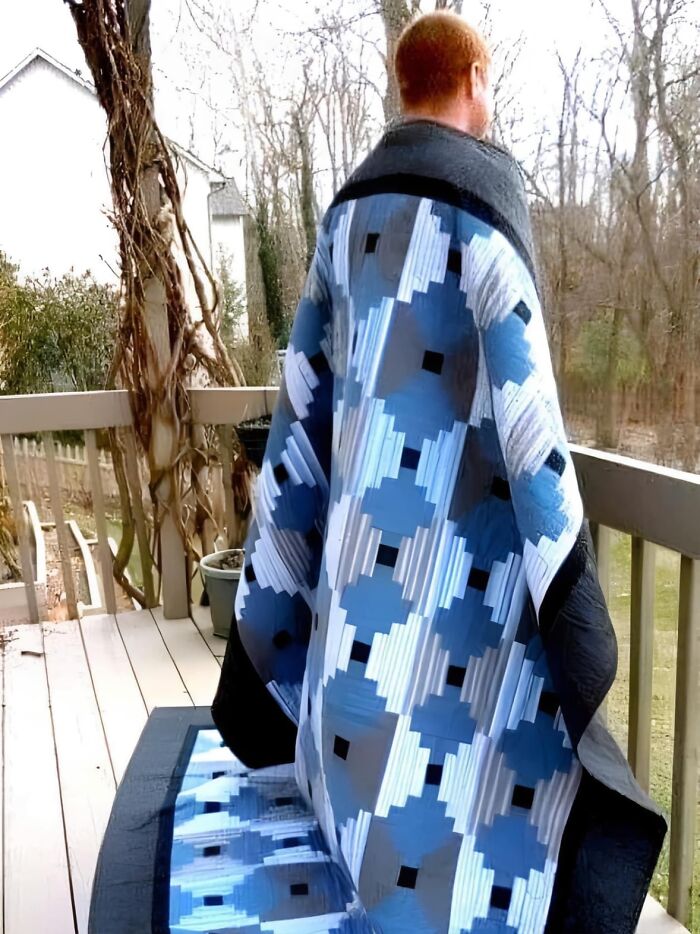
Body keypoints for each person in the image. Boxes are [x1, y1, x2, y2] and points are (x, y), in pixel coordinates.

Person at [213, 11, 666, 932]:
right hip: (460, 553)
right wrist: (565, 578)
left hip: (357, 548)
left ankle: (370, 867)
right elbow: (528, 407)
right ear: (468, 80)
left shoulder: (346, 211)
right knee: (467, 735)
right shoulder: (484, 209)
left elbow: (308, 390)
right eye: (490, 84)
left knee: (370, 722)